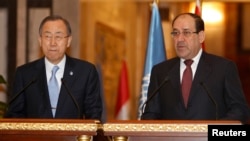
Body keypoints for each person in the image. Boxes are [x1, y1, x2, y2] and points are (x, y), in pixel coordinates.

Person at [141, 13, 249, 123]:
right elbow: (151, 113)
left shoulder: (223, 68)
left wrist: (214, 130)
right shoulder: (161, 71)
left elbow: (239, 110)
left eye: (186, 33)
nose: (179, 39)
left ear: (201, 36)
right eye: (176, 33)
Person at [5, 15, 102, 121]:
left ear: (68, 41)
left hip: (73, 137)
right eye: (47, 36)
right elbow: (14, 115)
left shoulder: (85, 72)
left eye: (58, 37)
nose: (52, 43)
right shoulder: (24, 74)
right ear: (40, 40)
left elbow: (94, 115)